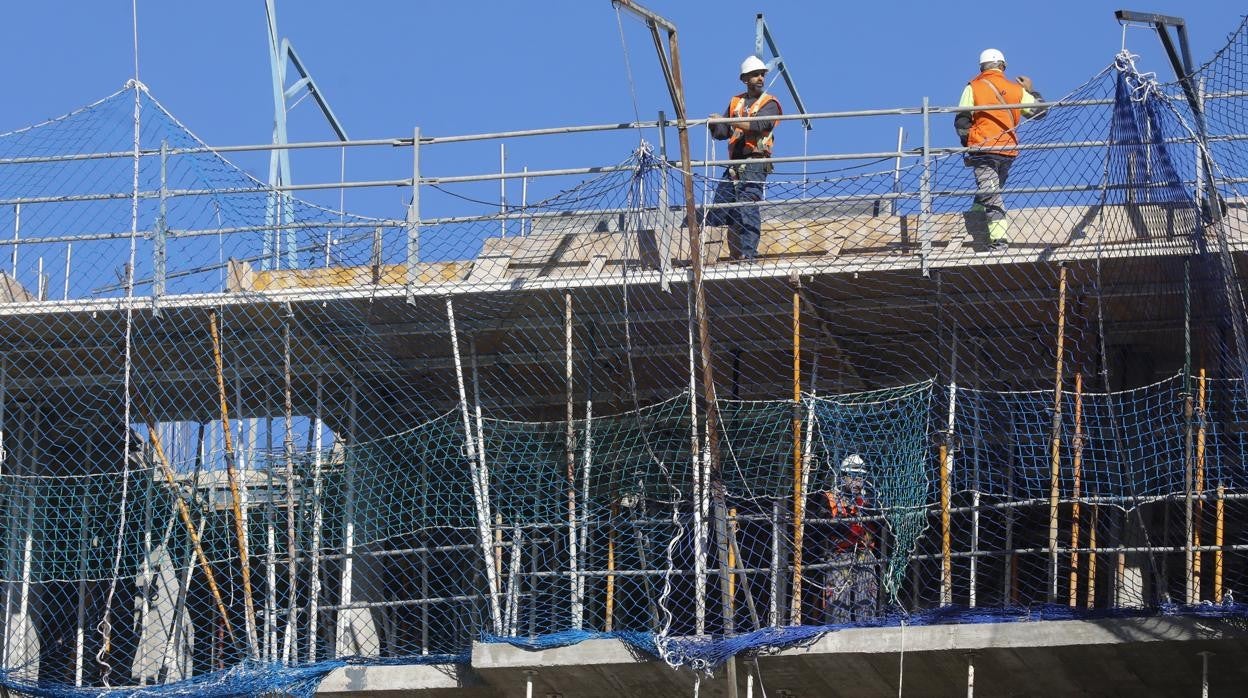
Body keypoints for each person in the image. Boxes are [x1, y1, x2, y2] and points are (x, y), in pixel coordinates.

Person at [954, 48, 1046, 251]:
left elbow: (961, 120)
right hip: (1007, 151)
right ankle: (976, 215)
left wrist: (968, 144)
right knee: (991, 190)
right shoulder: (1016, 90)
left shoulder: (974, 87)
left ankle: (999, 239)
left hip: (983, 148)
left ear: (981, 67)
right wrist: (1031, 91)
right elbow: (1040, 112)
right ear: (1003, 66)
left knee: (991, 193)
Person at [707, 55, 782, 261]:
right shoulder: (736, 103)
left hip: (755, 163)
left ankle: (749, 255)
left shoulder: (770, 103)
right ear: (745, 79)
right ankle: (713, 256)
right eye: (755, 75)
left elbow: (760, 125)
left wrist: (729, 120)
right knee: (720, 208)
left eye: (762, 75)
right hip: (734, 166)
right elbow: (722, 133)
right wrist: (715, 123)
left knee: (748, 204)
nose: (760, 78)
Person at [822, 454, 879, 624]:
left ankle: (867, 631)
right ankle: (836, 635)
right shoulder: (830, 498)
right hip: (840, 554)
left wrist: (864, 510)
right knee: (838, 604)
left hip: (864, 554)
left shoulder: (870, 502)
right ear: (843, 477)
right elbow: (820, 525)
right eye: (852, 477)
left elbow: (880, 525)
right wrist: (845, 521)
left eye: (860, 477)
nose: (856, 482)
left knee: (866, 600)